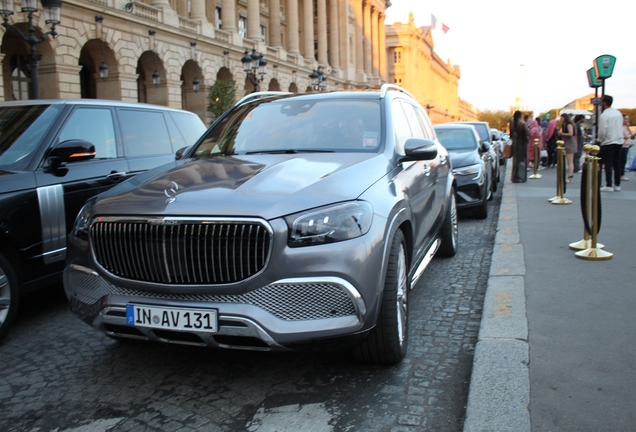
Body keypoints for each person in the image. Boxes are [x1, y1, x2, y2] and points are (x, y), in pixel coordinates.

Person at [596, 95, 624, 191]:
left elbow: (603, 130)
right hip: (619, 140)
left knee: (608, 163)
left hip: (608, 141)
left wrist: (600, 140)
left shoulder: (604, 115)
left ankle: (609, 185)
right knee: (617, 163)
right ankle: (617, 184)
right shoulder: (618, 113)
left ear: (604, 102)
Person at [511, 110, 529, 182]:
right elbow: (527, 133)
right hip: (521, 144)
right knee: (520, 160)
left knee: (515, 161)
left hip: (514, 144)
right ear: (520, 116)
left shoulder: (512, 124)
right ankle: (519, 176)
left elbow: (511, 135)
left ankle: (514, 176)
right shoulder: (522, 124)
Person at [559, 113, 577, 183]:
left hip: (569, 143)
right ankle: (570, 176)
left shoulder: (568, 124)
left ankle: (570, 177)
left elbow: (570, 133)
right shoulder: (566, 124)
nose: (561, 119)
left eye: (562, 118)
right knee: (569, 161)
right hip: (568, 142)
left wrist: (562, 133)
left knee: (570, 161)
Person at [620, 115, 632, 181]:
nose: (627, 120)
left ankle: (622, 174)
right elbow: (626, 136)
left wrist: (628, 127)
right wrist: (629, 135)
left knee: (624, 160)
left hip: (627, 145)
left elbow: (631, 134)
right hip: (623, 145)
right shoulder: (622, 127)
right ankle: (621, 174)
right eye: (626, 119)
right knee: (622, 160)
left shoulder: (625, 127)